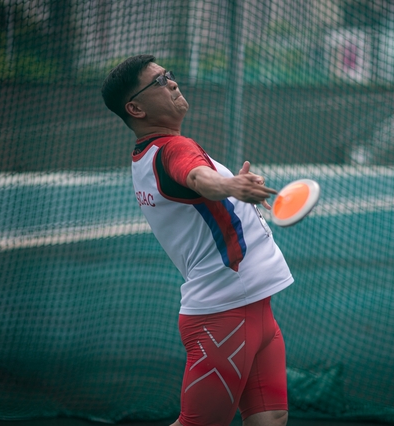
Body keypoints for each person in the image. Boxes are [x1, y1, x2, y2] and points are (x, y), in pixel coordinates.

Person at [101, 55, 292, 426]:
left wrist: (235, 189)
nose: (172, 83)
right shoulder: (173, 149)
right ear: (135, 108)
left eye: (169, 75)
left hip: (253, 308)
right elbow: (199, 179)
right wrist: (229, 185)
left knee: (271, 418)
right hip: (224, 316)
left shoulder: (152, 154)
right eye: (159, 81)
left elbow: (201, 185)